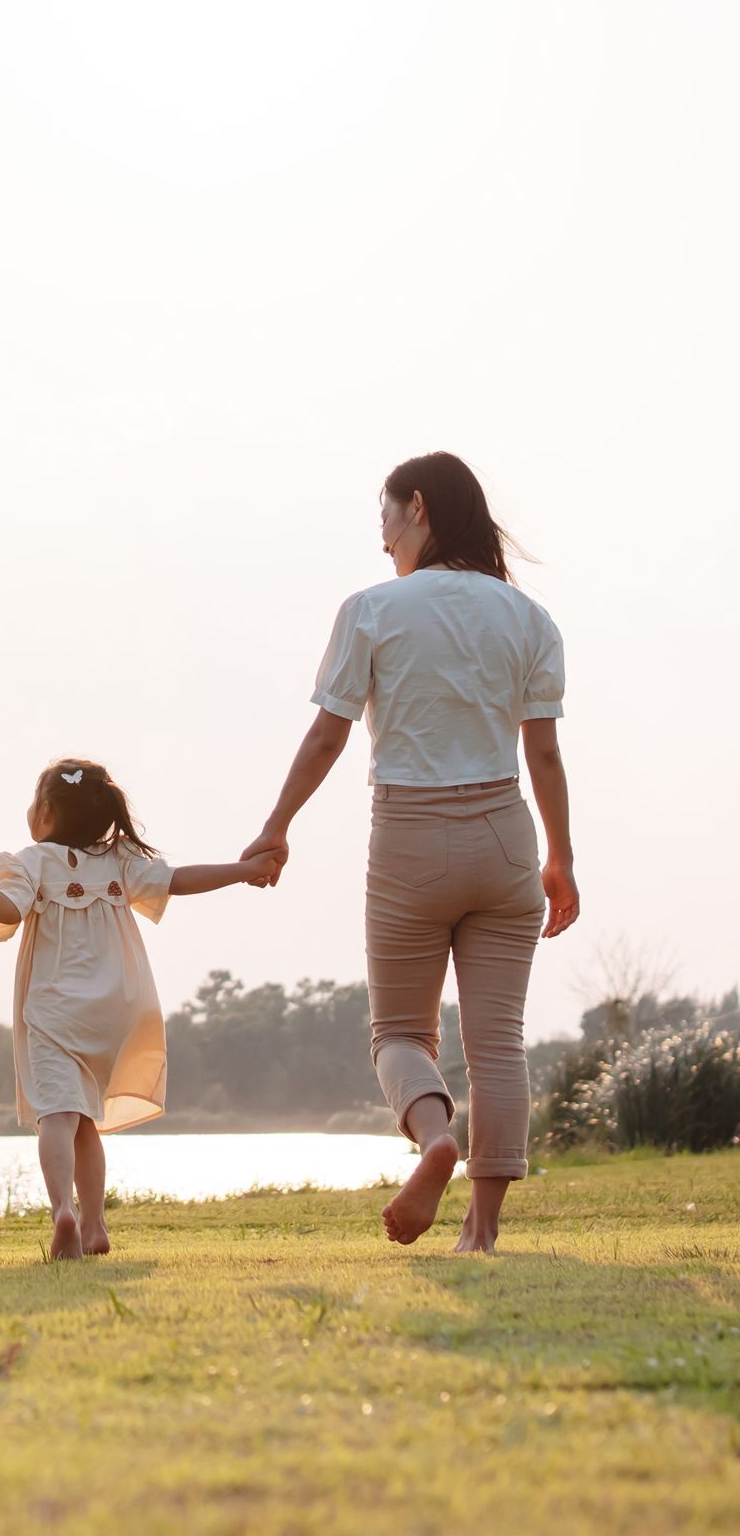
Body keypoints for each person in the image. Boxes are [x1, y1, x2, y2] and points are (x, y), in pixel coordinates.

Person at [242, 451, 579, 1253]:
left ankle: (434, 1137)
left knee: (399, 1033)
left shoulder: (371, 609)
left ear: (418, 508)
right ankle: (482, 1230)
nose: (382, 535)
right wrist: (561, 856)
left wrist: (276, 822)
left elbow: (329, 734)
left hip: (409, 837)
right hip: (505, 830)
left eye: (386, 516)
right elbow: (546, 758)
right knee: (499, 1041)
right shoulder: (529, 618)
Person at [0, 760, 281, 1259]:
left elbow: (6, 909)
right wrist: (245, 870)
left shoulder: (31, 861)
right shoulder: (119, 860)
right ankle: (95, 1224)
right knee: (85, 1119)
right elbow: (180, 879)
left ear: (45, 811)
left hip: (54, 1009)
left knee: (55, 1115)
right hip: (118, 1006)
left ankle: (63, 1213)